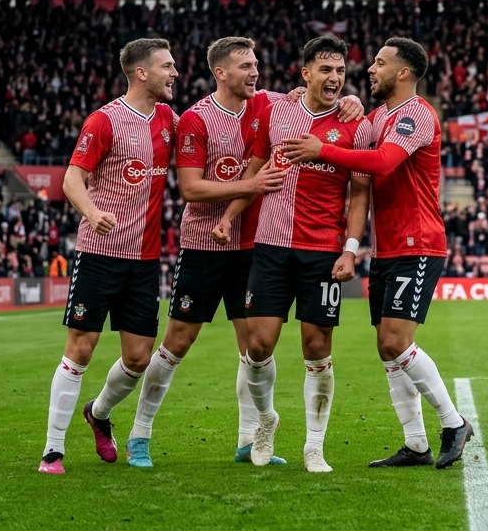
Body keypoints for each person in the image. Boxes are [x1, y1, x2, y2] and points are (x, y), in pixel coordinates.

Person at [121, 37, 362, 468]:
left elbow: (322, 96)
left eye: (256, 64)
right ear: (222, 72)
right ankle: (140, 434)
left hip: (255, 246)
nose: (255, 73)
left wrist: (352, 100)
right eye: (246, 67)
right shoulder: (195, 118)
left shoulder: (271, 103)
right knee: (177, 341)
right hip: (204, 243)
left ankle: (249, 440)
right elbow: (192, 189)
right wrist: (246, 193)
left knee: (253, 348)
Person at [281, 37, 473, 470]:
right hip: (387, 249)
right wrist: (310, 98)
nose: (370, 69)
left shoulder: (418, 115)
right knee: (387, 352)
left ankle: (453, 422)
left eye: (380, 63)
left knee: (395, 342)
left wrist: (322, 149)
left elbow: (383, 162)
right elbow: (353, 129)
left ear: (403, 72)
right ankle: (416, 445)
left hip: (417, 243)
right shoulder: (379, 116)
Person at [213, 36, 371, 472]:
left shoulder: (356, 125)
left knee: (317, 348)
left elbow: (360, 195)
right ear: (305, 74)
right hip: (271, 247)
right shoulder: (276, 110)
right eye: (325, 69)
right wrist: (229, 215)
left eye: (340, 71)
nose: (334, 78)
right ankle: (266, 420)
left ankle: (314, 446)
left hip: (322, 252)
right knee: (259, 346)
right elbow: (255, 169)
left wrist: (351, 250)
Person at [39, 38, 178, 475]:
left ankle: (97, 414)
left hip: (144, 259)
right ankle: (53, 450)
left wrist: (285, 98)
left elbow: (221, 120)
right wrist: (93, 211)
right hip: (99, 254)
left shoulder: (170, 121)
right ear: (142, 72)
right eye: (167, 66)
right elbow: (72, 179)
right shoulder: (104, 121)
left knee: (139, 357)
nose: (174, 73)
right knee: (81, 348)